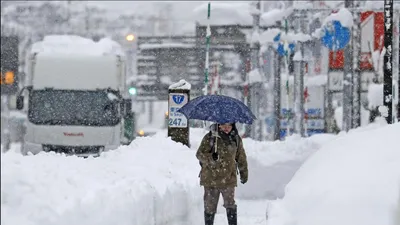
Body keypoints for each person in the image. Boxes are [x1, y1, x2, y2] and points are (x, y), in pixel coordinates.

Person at [196, 123, 248, 225]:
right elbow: (199, 154)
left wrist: (244, 173)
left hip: (229, 179)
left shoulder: (235, 139)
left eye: (229, 126)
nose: (226, 128)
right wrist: (211, 157)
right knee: (209, 207)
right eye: (224, 126)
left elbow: (241, 158)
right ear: (218, 125)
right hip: (211, 179)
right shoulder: (210, 137)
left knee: (230, 205)